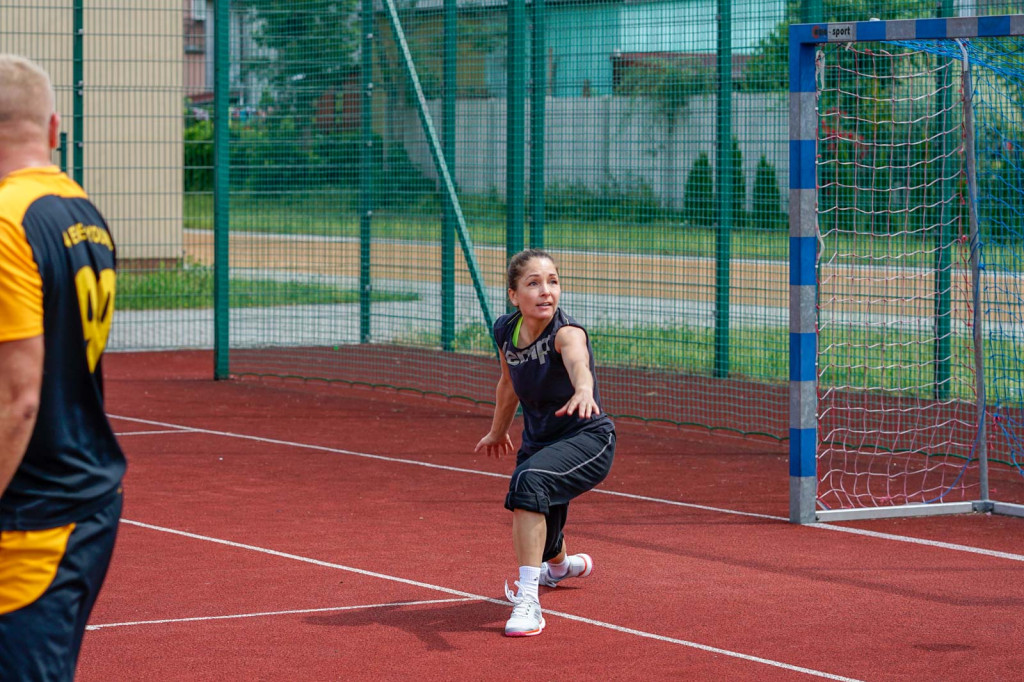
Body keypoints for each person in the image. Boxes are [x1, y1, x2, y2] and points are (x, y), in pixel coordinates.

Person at [0, 54, 125, 680]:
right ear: (53, 129)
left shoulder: (6, 222)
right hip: (85, 492)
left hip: (30, 515)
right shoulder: (80, 211)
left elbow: (16, 400)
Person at [475, 248, 615, 637]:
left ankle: (529, 602)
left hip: (588, 439)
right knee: (542, 523)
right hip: (541, 443)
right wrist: (499, 429)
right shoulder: (505, 329)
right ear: (513, 295)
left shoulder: (566, 333)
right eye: (533, 283)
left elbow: (578, 364)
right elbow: (508, 384)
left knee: (528, 484)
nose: (546, 291)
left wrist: (584, 389)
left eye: (552, 281)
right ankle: (559, 565)